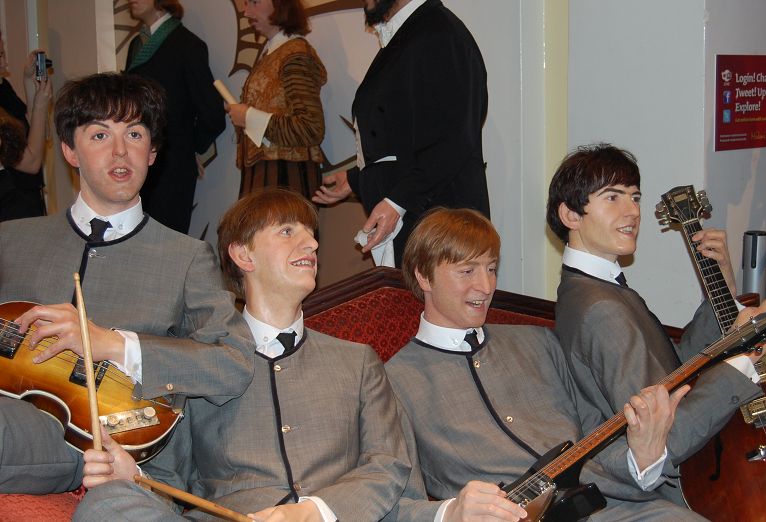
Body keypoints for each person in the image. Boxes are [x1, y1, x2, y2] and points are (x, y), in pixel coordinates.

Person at [74, 189, 522, 522]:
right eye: (288, 232)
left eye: (311, 234)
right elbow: (171, 484)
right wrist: (134, 477)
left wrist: (316, 510)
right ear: (242, 254)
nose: (310, 244)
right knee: (109, 504)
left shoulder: (358, 362)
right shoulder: (197, 363)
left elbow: (389, 468)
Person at [0, 72, 255, 495]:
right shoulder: (11, 240)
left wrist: (114, 344)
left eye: (134, 134)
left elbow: (234, 363)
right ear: (69, 150)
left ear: (152, 152)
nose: (120, 151)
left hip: (115, 442)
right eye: (100, 135)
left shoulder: (187, 257)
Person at [385, 207, 707, 521]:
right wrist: (450, 513)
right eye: (467, 271)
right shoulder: (394, 383)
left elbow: (596, 438)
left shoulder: (540, 342)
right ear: (424, 276)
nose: (485, 286)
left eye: (491, 269)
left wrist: (642, 457)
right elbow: (392, 503)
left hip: (608, 507)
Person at [546, 144, 766, 482]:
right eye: (613, 197)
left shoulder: (595, 287)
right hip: (668, 486)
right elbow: (667, 438)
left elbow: (672, 372)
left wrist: (722, 291)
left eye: (635, 197)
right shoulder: (602, 308)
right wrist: (742, 359)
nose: (632, 211)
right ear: (571, 216)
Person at [313, 0, 489, 268]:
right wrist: (356, 179)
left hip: (438, 231)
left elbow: (452, 139)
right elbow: (402, 135)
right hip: (420, 221)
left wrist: (397, 202)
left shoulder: (440, 35)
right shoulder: (415, 31)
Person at [125, 0, 226, 234]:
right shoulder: (137, 44)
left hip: (171, 169)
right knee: (134, 240)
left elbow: (212, 113)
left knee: (166, 245)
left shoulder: (187, 45)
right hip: (136, 162)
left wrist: (189, 147)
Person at [226, 0, 327, 199]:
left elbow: (311, 128)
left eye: (254, 2)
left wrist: (248, 117)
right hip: (269, 177)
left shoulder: (295, 55)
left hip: (286, 178)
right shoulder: (275, 52)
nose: (246, 12)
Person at [0, 36, 52, 221]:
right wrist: (40, 106)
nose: (4, 62)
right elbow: (30, 163)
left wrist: (29, 82)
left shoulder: (3, 87)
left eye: (3, 53)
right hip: (11, 202)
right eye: (0, 55)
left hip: (26, 195)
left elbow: (35, 130)